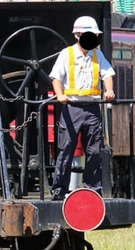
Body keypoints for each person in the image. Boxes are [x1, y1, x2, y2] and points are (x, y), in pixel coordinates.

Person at [49, 15, 115, 199]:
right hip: (72, 107)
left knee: (94, 151)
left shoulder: (97, 55)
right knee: (66, 148)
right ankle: (59, 190)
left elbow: (107, 74)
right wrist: (60, 95)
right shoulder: (67, 54)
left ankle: (93, 190)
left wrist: (109, 90)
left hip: (93, 108)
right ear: (78, 35)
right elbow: (56, 77)